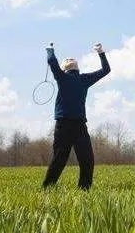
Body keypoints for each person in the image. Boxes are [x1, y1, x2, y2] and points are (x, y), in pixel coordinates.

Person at [42, 42, 111, 190]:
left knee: (59, 160)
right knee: (87, 160)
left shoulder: (61, 77)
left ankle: (47, 189)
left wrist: (50, 51)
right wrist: (100, 52)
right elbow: (106, 70)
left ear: (64, 69)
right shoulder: (83, 79)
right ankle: (84, 190)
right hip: (79, 126)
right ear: (77, 68)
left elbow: (52, 63)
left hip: (63, 125)